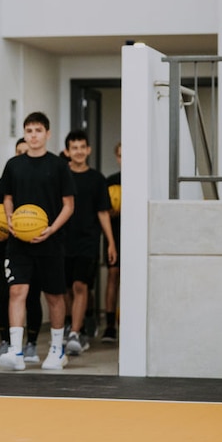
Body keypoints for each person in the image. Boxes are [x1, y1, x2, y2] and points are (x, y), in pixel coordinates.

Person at [0, 111, 75, 371]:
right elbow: (7, 197)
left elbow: (69, 205)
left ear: (48, 134)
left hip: (50, 241)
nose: (33, 135)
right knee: (17, 291)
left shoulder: (59, 165)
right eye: (29, 131)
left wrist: (51, 229)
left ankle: (56, 349)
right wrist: (9, 218)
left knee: (54, 296)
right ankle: (16, 350)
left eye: (38, 130)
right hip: (18, 241)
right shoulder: (14, 165)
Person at [0, 138, 44, 364]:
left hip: (37, 244)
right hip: (8, 247)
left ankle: (31, 343)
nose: (23, 154)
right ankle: (8, 343)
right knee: (6, 295)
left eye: (25, 151)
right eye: (19, 151)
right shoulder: (8, 177)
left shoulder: (40, 178)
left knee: (32, 296)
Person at [62, 130, 117, 355]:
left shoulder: (97, 179)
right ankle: (76, 324)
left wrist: (111, 243)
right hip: (63, 240)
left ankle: (75, 332)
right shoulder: (61, 176)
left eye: (82, 147)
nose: (78, 151)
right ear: (67, 151)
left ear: (88, 150)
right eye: (74, 148)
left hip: (88, 241)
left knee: (80, 285)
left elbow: (103, 213)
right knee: (65, 288)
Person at [102, 142, 122, 342]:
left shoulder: (142, 181)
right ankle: (109, 326)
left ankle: (128, 322)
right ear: (117, 158)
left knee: (132, 279)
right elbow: (102, 211)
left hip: (134, 234)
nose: (123, 159)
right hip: (114, 235)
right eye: (120, 155)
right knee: (113, 276)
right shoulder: (110, 182)